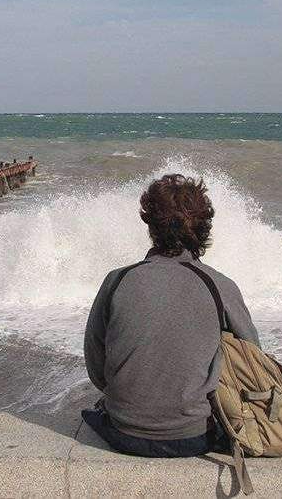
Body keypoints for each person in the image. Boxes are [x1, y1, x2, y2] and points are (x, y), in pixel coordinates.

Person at [82, 174, 260, 458]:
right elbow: (253, 357)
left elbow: (95, 364)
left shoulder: (118, 280)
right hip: (194, 436)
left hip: (123, 433)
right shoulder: (220, 285)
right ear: (204, 228)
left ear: (151, 225)